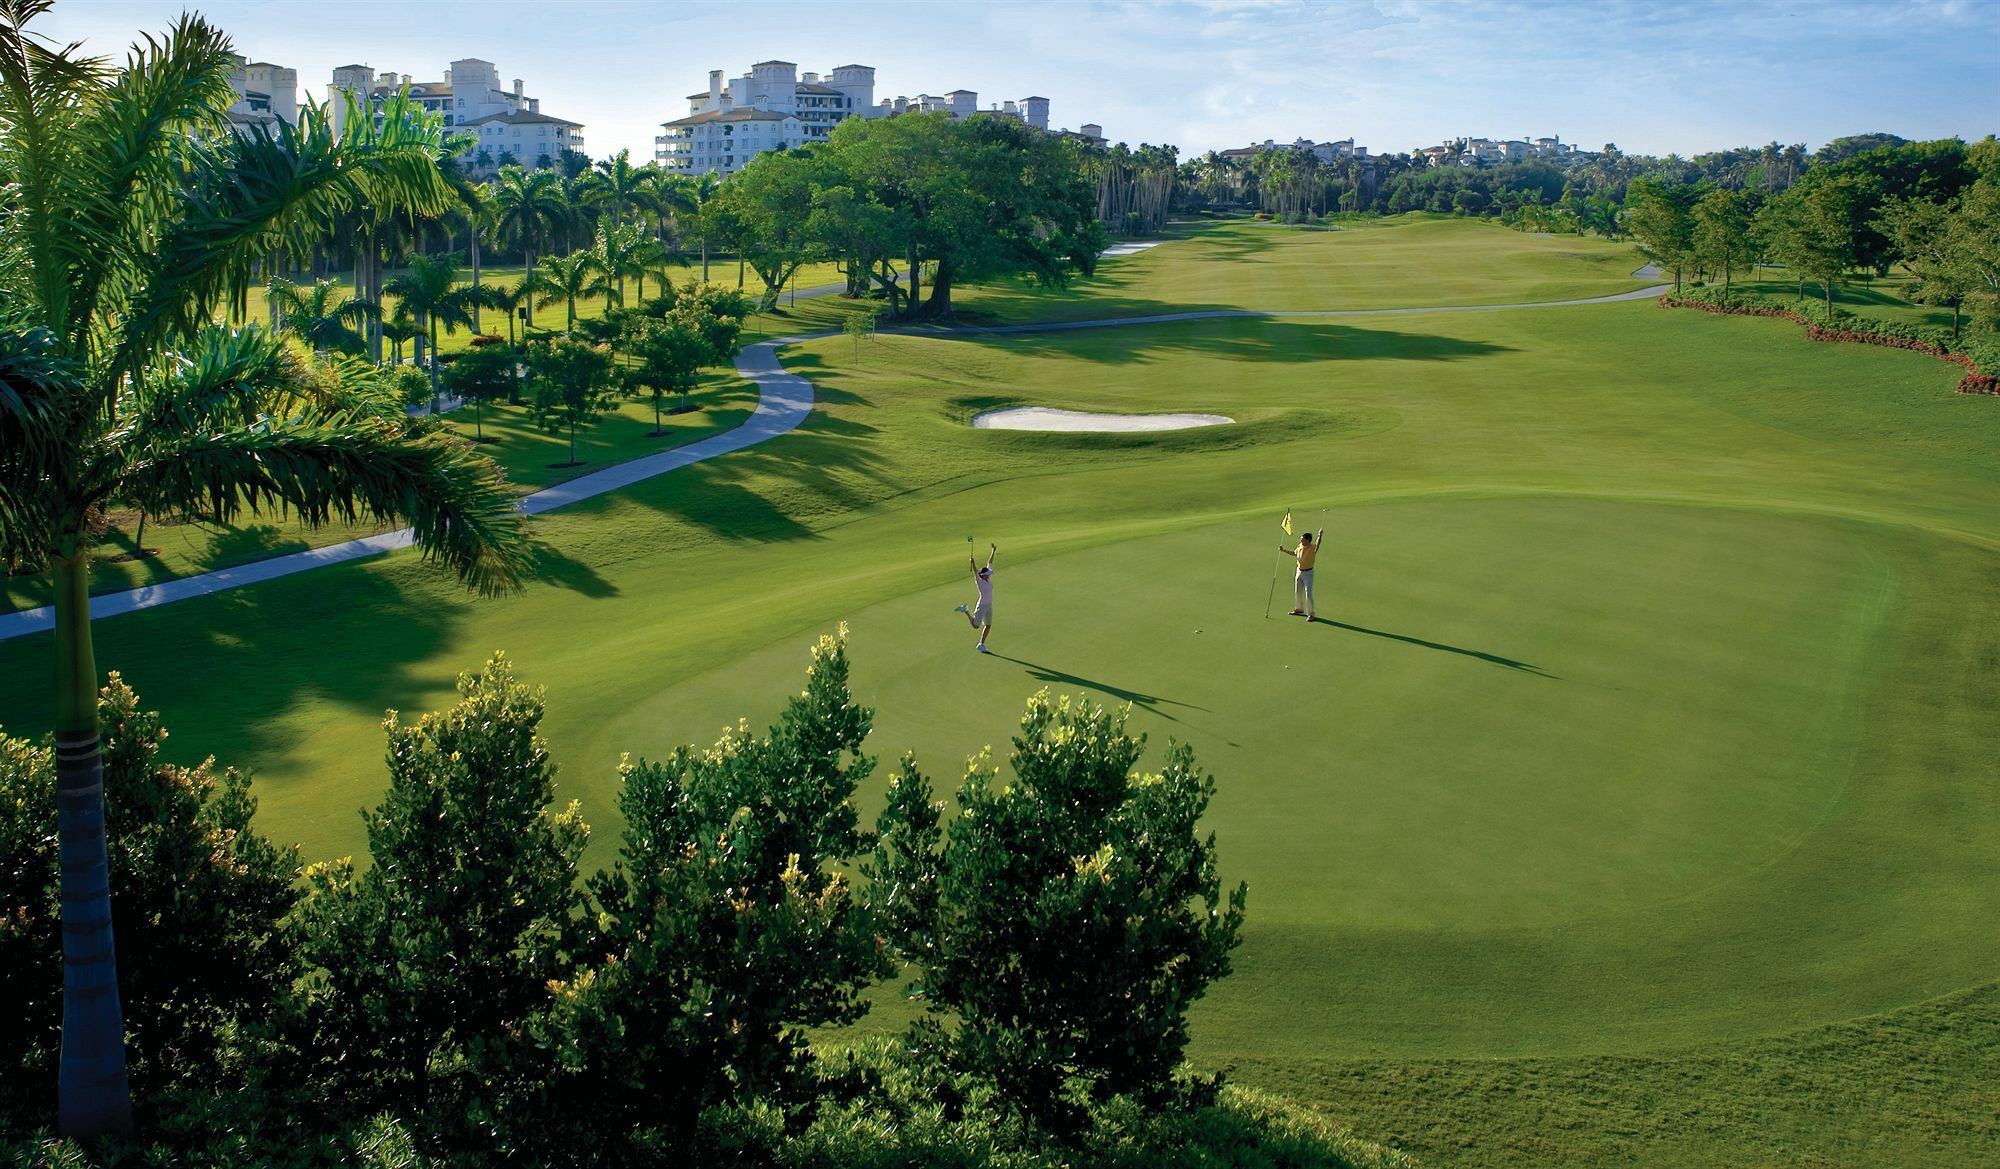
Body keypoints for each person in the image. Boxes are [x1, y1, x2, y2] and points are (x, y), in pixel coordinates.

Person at [953, 542, 997, 652]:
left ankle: (981, 644)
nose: (990, 574)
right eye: (988, 573)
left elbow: (989, 562)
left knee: (988, 625)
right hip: (982, 605)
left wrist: (993, 551)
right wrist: (973, 563)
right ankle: (966, 610)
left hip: (989, 606)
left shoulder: (988, 580)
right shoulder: (980, 582)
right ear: (983, 575)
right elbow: (976, 572)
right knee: (976, 626)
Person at [1279, 527, 1324, 619]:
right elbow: (1294, 553)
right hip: (1299, 571)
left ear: (1308, 540)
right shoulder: (1300, 546)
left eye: (1302, 538)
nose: (1301, 539)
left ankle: (1311, 614)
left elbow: (1318, 543)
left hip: (1308, 572)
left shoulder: (1312, 548)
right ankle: (1299, 609)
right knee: (1298, 591)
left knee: (1308, 593)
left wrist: (1319, 535)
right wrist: (1284, 550)